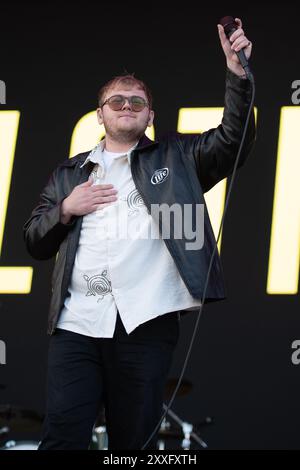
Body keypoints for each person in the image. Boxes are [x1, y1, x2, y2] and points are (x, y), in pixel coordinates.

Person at [23, 18, 255, 450]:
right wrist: (66, 210)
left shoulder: (178, 157)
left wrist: (237, 74)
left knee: (134, 447)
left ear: (150, 114)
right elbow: (33, 241)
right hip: (76, 327)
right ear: (100, 114)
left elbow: (231, 140)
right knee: (61, 440)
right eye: (116, 100)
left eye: (137, 100)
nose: (126, 105)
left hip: (145, 325)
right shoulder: (69, 174)